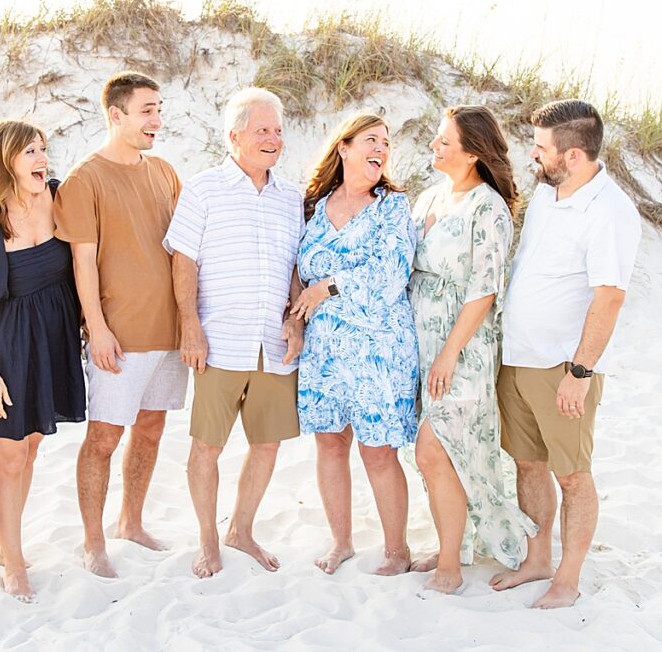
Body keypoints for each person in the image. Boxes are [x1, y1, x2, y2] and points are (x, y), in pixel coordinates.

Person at [489, 99, 641, 608]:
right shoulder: (548, 192)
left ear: (573, 155)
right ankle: (538, 560)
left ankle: (568, 579)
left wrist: (580, 372)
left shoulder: (610, 212)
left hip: (561, 366)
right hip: (518, 358)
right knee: (528, 465)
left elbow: (610, 296)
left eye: (541, 149)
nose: (533, 157)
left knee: (572, 476)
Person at [164, 88, 305, 579]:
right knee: (208, 445)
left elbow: (296, 268)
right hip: (220, 341)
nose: (273, 139)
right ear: (234, 136)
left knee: (267, 445)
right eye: (262, 130)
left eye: (278, 130)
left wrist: (295, 318)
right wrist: (190, 326)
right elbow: (184, 263)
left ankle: (240, 530)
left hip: (275, 345)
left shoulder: (293, 198)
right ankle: (208, 541)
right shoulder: (203, 189)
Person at [0, 120, 86, 603]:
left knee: (29, 448)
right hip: (5, 347)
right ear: (5, 159)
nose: (42, 159)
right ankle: (11, 557)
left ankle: (8, 546)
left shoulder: (59, 197)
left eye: (44, 149)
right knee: (7, 456)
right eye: (30, 151)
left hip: (51, 337)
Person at [54, 71, 187, 578]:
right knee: (105, 437)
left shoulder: (163, 172)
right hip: (120, 336)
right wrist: (99, 327)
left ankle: (130, 522)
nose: (157, 119)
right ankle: (93, 541)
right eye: (147, 110)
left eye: (159, 108)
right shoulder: (85, 179)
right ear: (116, 115)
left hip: (169, 331)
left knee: (151, 429)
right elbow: (82, 263)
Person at [406, 106, 537, 594]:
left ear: (473, 152)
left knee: (438, 448)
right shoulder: (429, 198)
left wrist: (448, 354)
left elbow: (483, 290)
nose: (434, 147)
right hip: (419, 341)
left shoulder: (488, 207)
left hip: (462, 344)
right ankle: (450, 546)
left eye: (444, 141)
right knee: (432, 454)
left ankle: (451, 567)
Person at [292, 113, 419, 576]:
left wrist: (327, 286)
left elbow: (391, 275)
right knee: (329, 443)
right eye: (371, 140)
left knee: (378, 449)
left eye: (386, 143)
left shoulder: (392, 207)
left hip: (378, 347)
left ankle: (396, 551)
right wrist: (297, 320)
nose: (381, 149)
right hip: (325, 348)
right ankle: (341, 542)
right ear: (343, 147)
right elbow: (296, 268)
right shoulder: (314, 206)